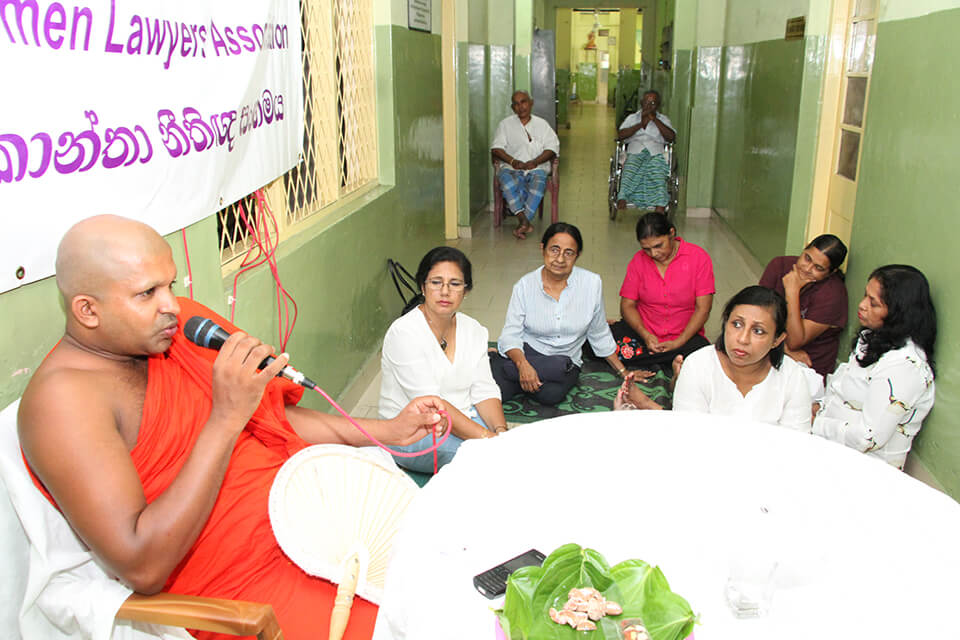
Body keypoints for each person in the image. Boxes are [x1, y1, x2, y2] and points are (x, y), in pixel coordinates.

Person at [17, 215, 446, 640]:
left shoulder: (178, 327)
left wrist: (386, 430)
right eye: (146, 293)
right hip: (244, 584)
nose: (171, 305)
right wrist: (224, 419)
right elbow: (142, 565)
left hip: (317, 517)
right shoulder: (63, 403)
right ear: (87, 310)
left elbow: (273, 420)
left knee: (455, 577)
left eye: (171, 284)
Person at [380, 247, 507, 473]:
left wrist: (500, 431)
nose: (445, 291)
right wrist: (488, 440)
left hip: (464, 418)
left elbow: (484, 390)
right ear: (422, 286)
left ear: (466, 290)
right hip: (416, 433)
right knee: (488, 460)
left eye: (455, 284)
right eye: (436, 282)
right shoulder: (404, 333)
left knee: (505, 449)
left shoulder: (474, 329)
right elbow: (431, 405)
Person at [619, 286, 814, 432]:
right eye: (736, 324)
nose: (742, 339)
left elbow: (794, 447)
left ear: (777, 340)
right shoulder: (698, 365)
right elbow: (691, 437)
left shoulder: (792, 377)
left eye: (758, 331)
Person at [813, 265, 936, 468]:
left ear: (898, 313)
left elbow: (867, 438)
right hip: (831, 450)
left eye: (874, 303)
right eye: (865, 296)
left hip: (866, 470)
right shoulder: (873, 337)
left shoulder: (904, 366)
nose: (862, 305)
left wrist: (816, 423)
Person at [490, 222, 625, 406]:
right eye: (554, 250)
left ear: (577, 256)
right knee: (498, 394)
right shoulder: (524, 286)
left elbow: (598, 331)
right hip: (529, 352)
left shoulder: (592, 284)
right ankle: (517, 369)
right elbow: (511, 334)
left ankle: (504, 366)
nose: (560, 259)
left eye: (568, 253)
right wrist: (523, 365)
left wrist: (622, 372)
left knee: (551, 395)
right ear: (542, 249)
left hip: (566, 358)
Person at [611, 211, 715, 371]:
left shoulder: (698, 258)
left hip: (684, 338)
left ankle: (656, 358)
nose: (654, 254)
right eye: (647, 249)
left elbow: (703, 309)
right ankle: (671, 360)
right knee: (599, 343)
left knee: (703, 357)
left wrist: (679, 341)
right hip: (644, 336)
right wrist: (645, 335)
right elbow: (627, 305)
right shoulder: (638, 261)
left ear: (672, 233)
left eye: (658, 246)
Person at [759, 234, 848, 378]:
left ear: (831, 273)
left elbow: (795, 341)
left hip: (807, 366)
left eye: (818, 268)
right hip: (772, 349)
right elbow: (756, 314)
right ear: (805, 248)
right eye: (807, 258)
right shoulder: (780, 265)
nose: (807, 269)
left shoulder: (833, 294)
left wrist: (792, 291)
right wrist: (784, 348)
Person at [490, 90, 560, 239]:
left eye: (524, 102)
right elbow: (496, 148)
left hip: (537, 167)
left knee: (538, 184)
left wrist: (535, 161)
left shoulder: (542, 125)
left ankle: (523, 221)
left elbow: (552, 148)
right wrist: (513, 161)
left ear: (531, 103)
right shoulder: (505, 125)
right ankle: (524, 221)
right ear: (512, 107)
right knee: (507, 182)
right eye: (516, 104)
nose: (520, 107)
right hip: (511, 167)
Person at [616, 90, 676, 212]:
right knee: (631, 167)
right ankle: (623, 197)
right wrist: (640, 124)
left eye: (653, 103)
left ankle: (660, 204)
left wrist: (655, 120)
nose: (649, 106)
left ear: (658, 105)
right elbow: (621, 135)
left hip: (655, 151)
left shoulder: (663, 119)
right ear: (641, 103)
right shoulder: (632, 118)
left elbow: (671, 137)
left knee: (657, 171)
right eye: (646, 102)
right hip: (635, 149)